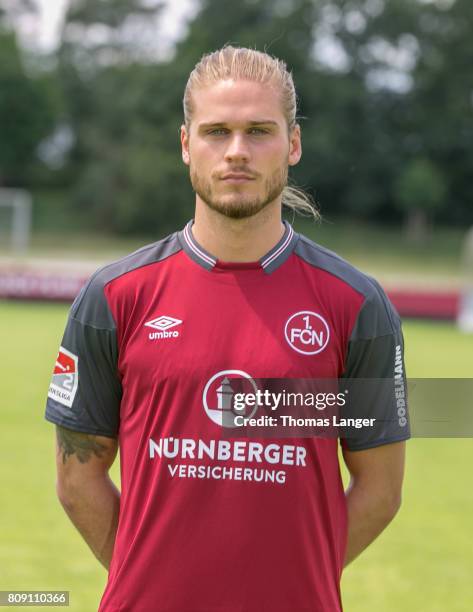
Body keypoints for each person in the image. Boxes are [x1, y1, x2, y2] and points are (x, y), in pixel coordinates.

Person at [45, 46, 409, 612]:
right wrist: (156, 576)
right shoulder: (115, 297)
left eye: (259, 131)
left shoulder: (355, 305)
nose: (237, 151)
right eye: (216, 131)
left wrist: (288, 578)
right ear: (186, 143)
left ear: (292, 144)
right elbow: (77, 479)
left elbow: (381, 491)